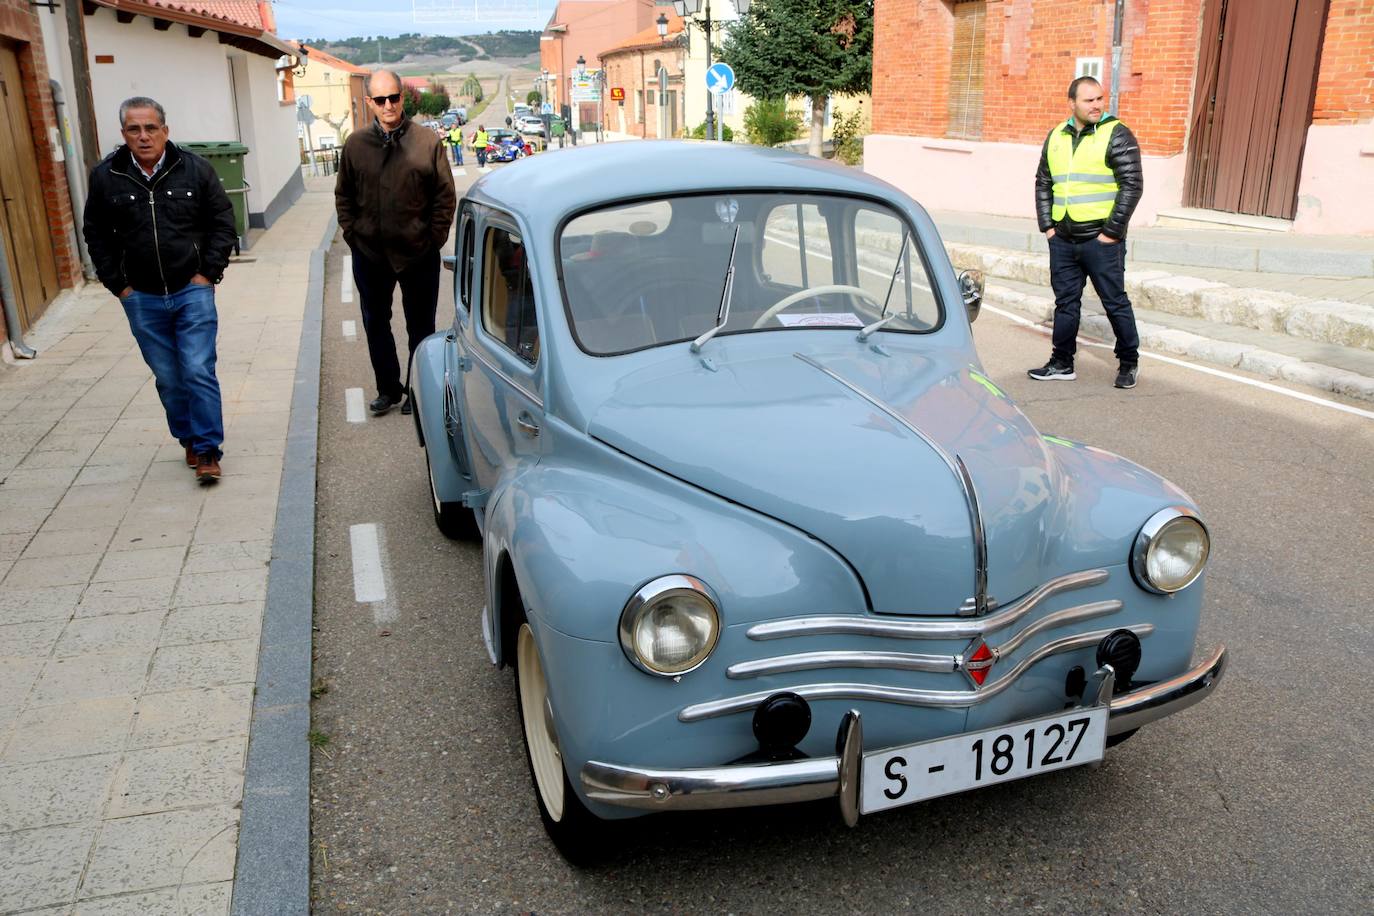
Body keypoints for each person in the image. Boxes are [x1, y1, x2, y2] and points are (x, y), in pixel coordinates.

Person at [83, 96, 237, 482]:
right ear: (124, 134)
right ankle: (187, 435)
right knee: (169, 377)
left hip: (192, 289)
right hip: (142, 297)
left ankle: (206, 450)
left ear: (165, 131)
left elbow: (222, 220)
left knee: (198, 369)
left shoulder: (195, 170)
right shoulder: (106, 177)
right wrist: (119, 286)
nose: (144, 136)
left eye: (151, 127)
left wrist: (208, 273)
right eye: (134, 129)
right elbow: (95, 233)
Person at [335, 69, 457, 415]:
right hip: (370, 253)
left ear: (403, 97)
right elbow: (343, 195)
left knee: (421, 326)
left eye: (394, 97)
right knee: (375, 322)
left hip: (419, 253)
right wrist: (353, 235)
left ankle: (418, 392)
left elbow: (444, 197)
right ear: (370, 102)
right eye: (381, 99)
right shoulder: (356, 145)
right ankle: (388, 388)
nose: (388, 105)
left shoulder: (427, 142)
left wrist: (433, 239)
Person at [1029, 76, 1143, 389]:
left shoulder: (1116, 134)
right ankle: (1062, 362)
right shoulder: (1056, 136)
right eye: (1088, 100)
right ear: (1072, 103)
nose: (1096, 105)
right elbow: (1043, 182)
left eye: (1099, 99)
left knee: (1114, 301)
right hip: (1063, 238)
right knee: (1065, 303)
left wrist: (1112, 233)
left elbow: (1132, 185)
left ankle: (1129, 361)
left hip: (1101, 240)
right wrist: (1048, 227)